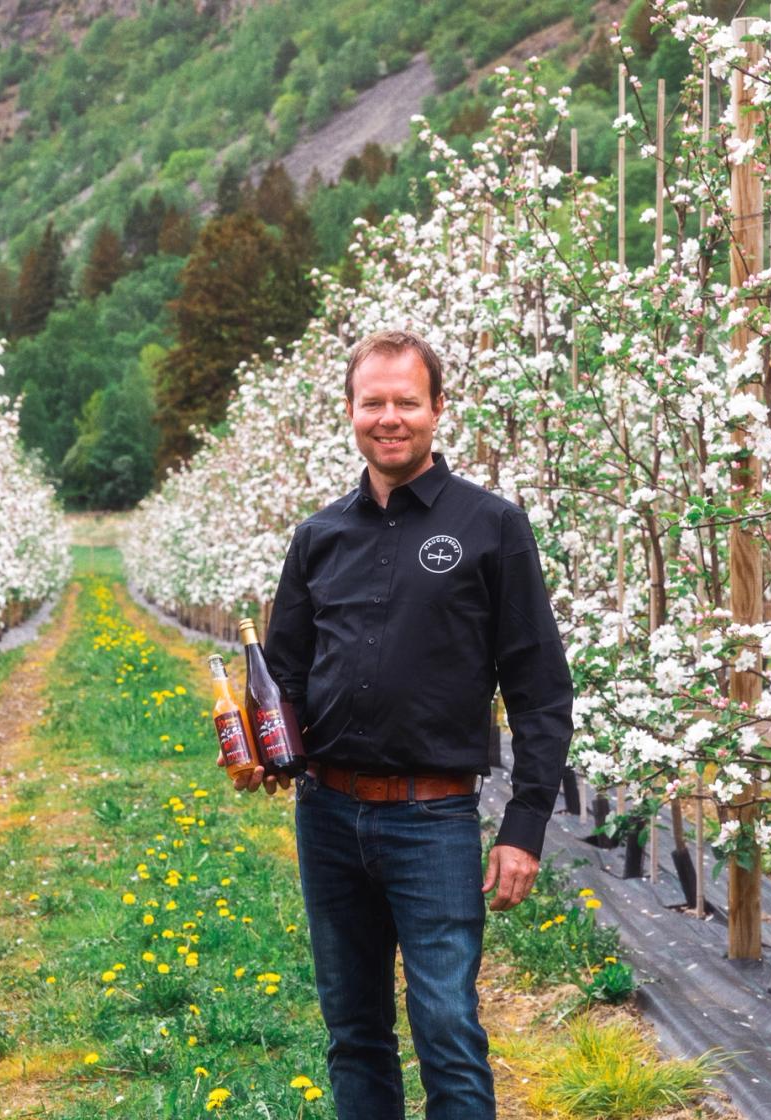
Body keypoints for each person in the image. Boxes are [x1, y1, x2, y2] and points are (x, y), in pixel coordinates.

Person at [226, 329, 573, 1119]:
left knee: (447, 1028)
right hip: (330, 814)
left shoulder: (491, 528)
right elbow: (283, 677)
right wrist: (263, 746)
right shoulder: (318, 539)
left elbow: (540, 686)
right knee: (354, 1031)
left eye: (406, 402)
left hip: (434, 816)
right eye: (373, 402)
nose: (390, 418)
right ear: (350, 411)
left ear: (437, 410)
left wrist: (523, 825)